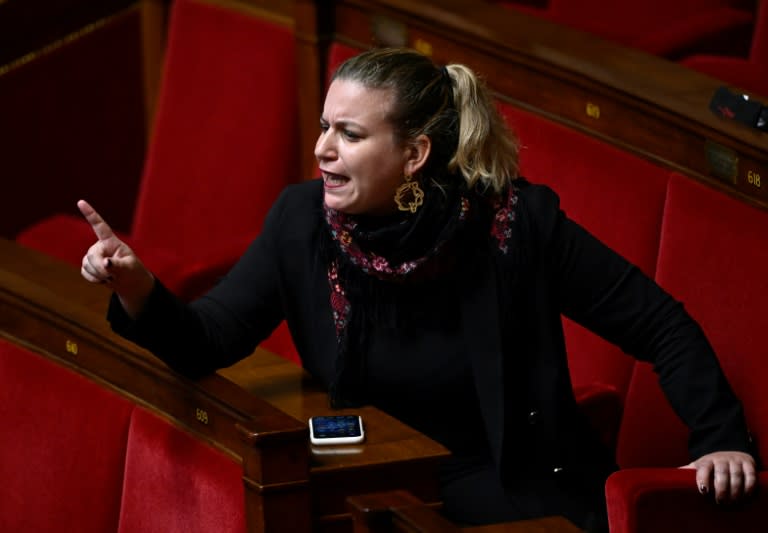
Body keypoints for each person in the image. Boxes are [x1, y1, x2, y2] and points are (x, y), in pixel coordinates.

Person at [78, 48, 756, 531]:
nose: (322, 149)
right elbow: (207, 339)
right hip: (376, 477)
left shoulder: (515, 226)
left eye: (349, 133)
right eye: (323, 126)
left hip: (512, 489)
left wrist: (721, 437)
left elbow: (661, 324)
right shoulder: (301, 223)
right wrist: (138, 287)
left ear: (414, 154)